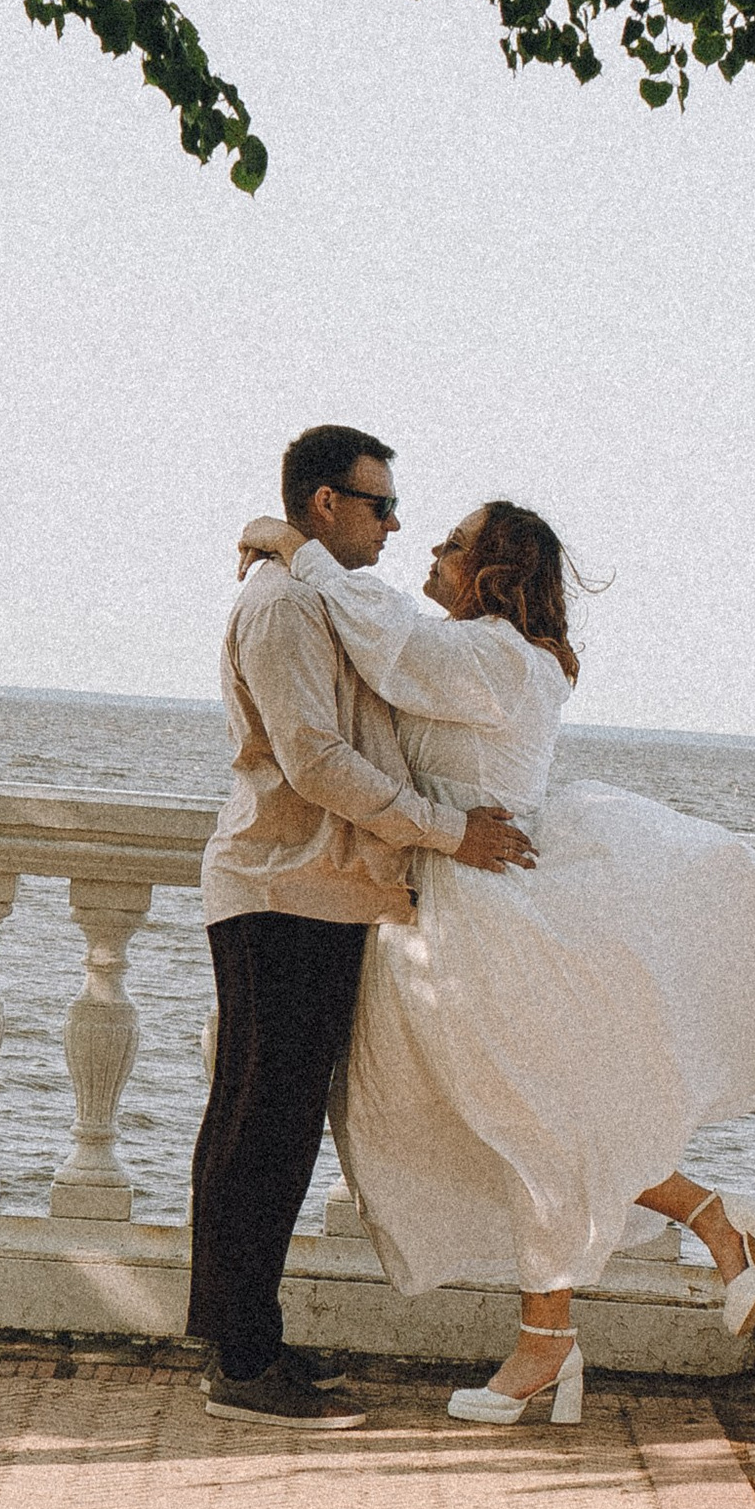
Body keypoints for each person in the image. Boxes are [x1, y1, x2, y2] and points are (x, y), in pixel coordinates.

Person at [234, 497, 755, 1424]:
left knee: (526, 1123)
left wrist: (299, 550)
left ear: (494, 570)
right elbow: (385, 639)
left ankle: (559, 1335)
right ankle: (703, 1231)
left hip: (486, 912)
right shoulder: (490, 655)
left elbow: (387, 640)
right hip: (448, 904)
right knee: (514, 1124)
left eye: (454, 541)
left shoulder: (492, 657)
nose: (430, 550)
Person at [188, 425, 537, 1426]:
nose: (395, 523)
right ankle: (242, 1362)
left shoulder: (313, 590)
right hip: (281, 890)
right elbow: (316, 763)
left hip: (316, 891)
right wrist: (447, 833)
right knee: (261, 1129)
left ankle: (246, 1343)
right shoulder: (287, 602)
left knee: (270, 1127)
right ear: (325, 504)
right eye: (379, 505)